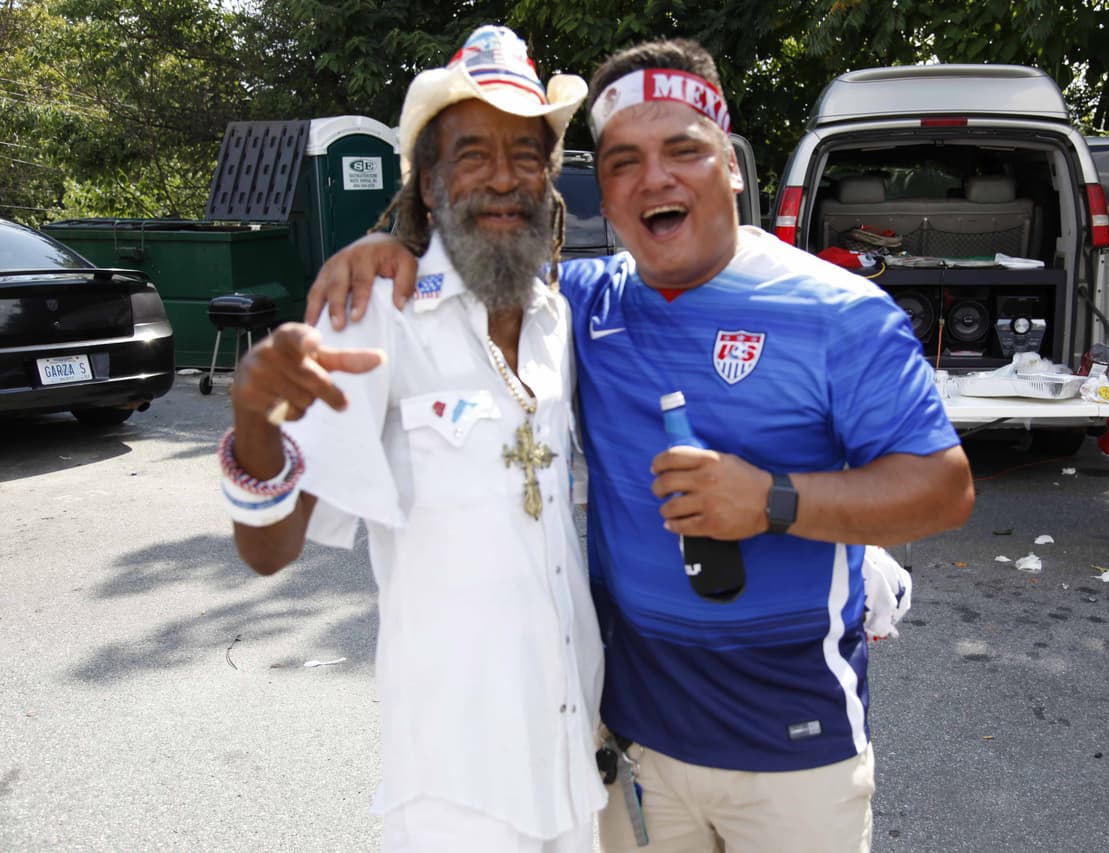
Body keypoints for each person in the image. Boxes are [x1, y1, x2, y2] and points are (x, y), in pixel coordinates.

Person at [309, 38, 975, 853]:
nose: (654, 178)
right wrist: (390, 251)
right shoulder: (581, 306)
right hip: (638, 747)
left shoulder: (841, 312)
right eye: (623, 161)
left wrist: (772, 500)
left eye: (683, 150)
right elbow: (481, 260)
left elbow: (944, 488)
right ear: (605, 196)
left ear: (730, 165)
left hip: (798, 749)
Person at [218, 26, 605, 852]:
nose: (503, 178)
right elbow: (269, 550)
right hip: (454, 788)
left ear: (551, 179)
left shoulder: (555, 316)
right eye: (472, 154)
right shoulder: (374, 316)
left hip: (575, 757)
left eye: (526, 154)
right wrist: (253, 421)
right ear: (429, 182)